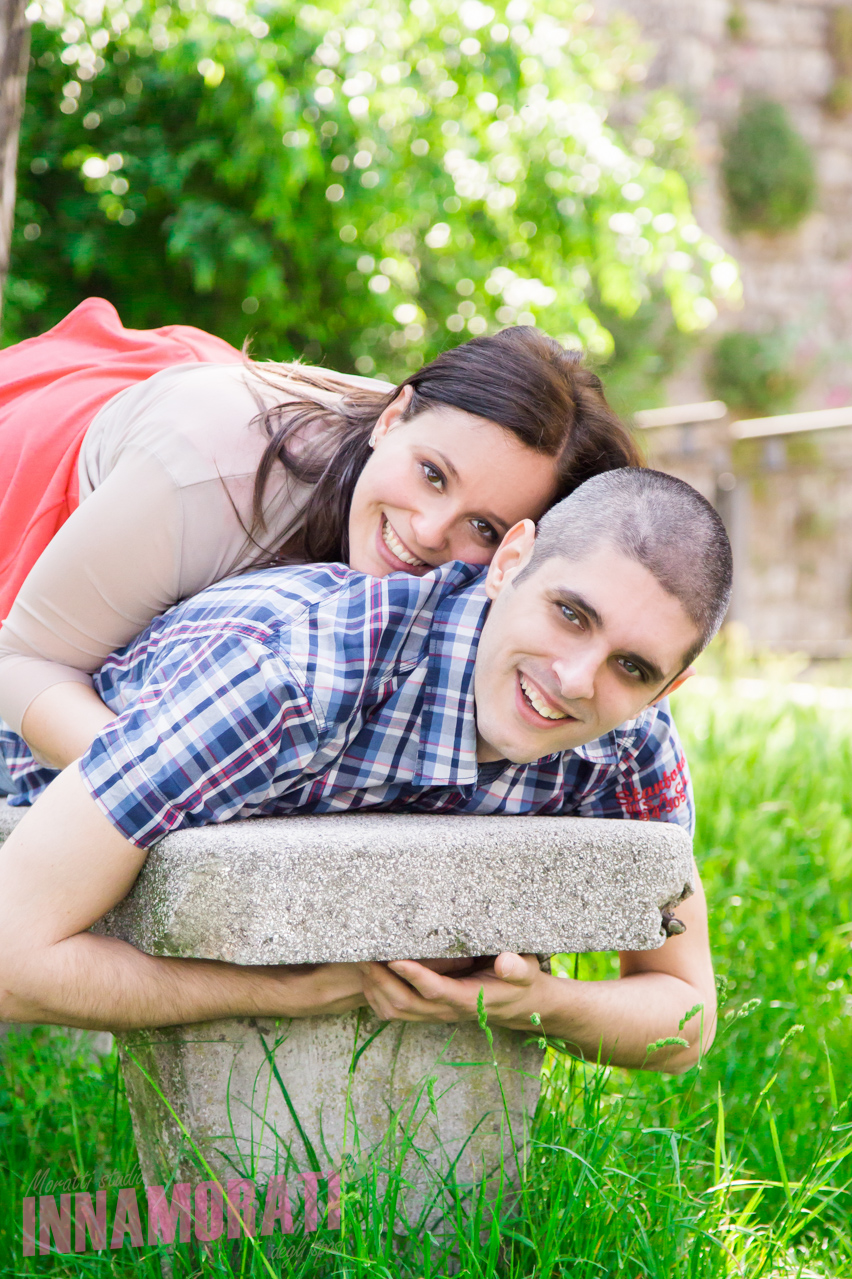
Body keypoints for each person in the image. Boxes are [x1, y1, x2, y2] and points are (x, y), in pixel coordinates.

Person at [0, 468, 731, 1073]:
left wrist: (532, 1003)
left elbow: (686, 1015)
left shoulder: (630, 741)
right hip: (37, 782)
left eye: (632, 667)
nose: (576, 679)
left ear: (665, 689)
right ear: (510, 563)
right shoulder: (301, 676)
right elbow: (10, 958)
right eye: (571, 613)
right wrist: (291, 992)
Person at [0, 298, 640, 777]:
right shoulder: (201, 480)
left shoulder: (465, 466)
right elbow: (23, 664)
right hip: (57, 458)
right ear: (392, 419)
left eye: (484, 527)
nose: (426, 531)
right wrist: (164, 781)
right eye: (432, 476)